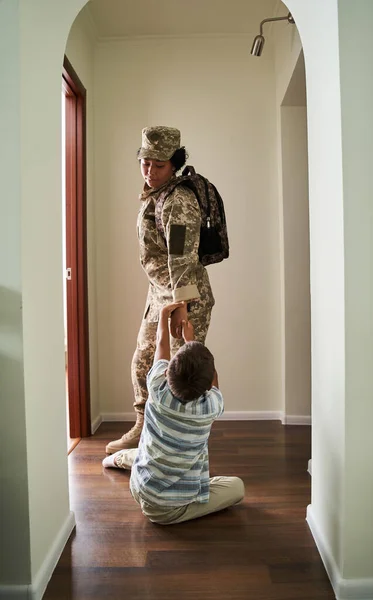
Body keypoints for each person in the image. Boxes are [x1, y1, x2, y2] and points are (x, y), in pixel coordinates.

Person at [106, 126, 215, 455]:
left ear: (174, 164)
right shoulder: (156, 194)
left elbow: (181, 258)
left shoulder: (178, 201)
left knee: (181, 374)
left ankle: (182, 444)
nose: (150, 171)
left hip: (185, 296)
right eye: (145, 163)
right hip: (161, 293)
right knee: (143, 363)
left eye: (159, 165)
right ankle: (144, 429)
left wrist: (181, 308)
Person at [103, 301, 245, 525]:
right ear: (207, 384)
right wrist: (193, 341)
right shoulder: (209, 407)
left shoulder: (157, 388)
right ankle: (126, 460)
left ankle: (119, 459)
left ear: (168, 370)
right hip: (166, 511)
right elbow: (214, 383)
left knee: (150, 453)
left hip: (138, 488)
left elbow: (161, 345)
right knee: (237, 487)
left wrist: (162, 315)